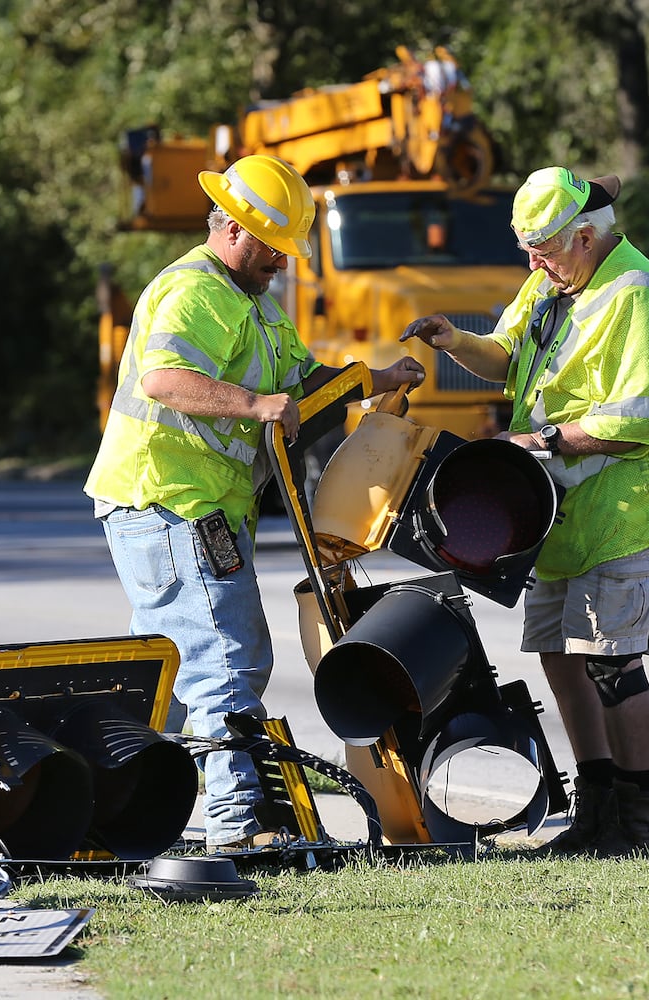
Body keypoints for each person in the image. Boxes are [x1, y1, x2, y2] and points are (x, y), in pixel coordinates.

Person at [84, 154, 426, 851]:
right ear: (237, 231)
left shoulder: (254, 306)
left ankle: (114, 811)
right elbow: (162, 378)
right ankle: (236, 829)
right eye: (275, 248)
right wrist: (252, 403)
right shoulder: (194, 292)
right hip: (173, 502)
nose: (281, 262)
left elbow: (306, 385)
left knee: (174, 674)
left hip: (190, 506)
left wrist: (375, 378)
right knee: (224, 662)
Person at [400, 166, 649, 856]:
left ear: (587, 236)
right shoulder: (552, 278)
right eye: (527, 251)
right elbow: (508, 358)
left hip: (625, 508)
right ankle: (593, 814)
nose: (532, 265)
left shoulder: (637, 295)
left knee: (610, 665)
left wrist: (536, 441)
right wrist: (455, 343)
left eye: (543, 250)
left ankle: (633, 829)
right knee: (561, 659)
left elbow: (640, 420)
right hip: (556, 512)